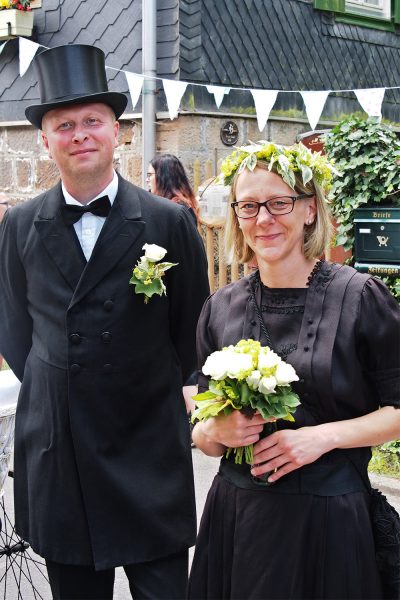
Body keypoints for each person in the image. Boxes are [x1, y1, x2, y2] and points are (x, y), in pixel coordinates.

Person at [0, 44, 209, 600]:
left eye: (92, 120)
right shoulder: (19, 225)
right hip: (60, 450)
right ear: (45, 141)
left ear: (117, 130)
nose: (80, 134)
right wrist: (65, 381)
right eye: (63, 124)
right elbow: (15, 330)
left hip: (147, 445)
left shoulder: (168, 223)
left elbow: (193, 331)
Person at [188, 141, 400, 599]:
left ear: (309, 210)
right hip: (239, 519)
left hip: (330, 522)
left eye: (278, 202)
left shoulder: (361, 298)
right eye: (249, 206)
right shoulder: (220, 308)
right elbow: (203, 435)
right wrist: (215, 432)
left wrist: (322, 437)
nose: (263, 219)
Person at [147, 154, 199, 225]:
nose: (147, 180)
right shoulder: (154, 202)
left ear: (164, 177)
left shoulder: (180, 210)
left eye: (150, 175)